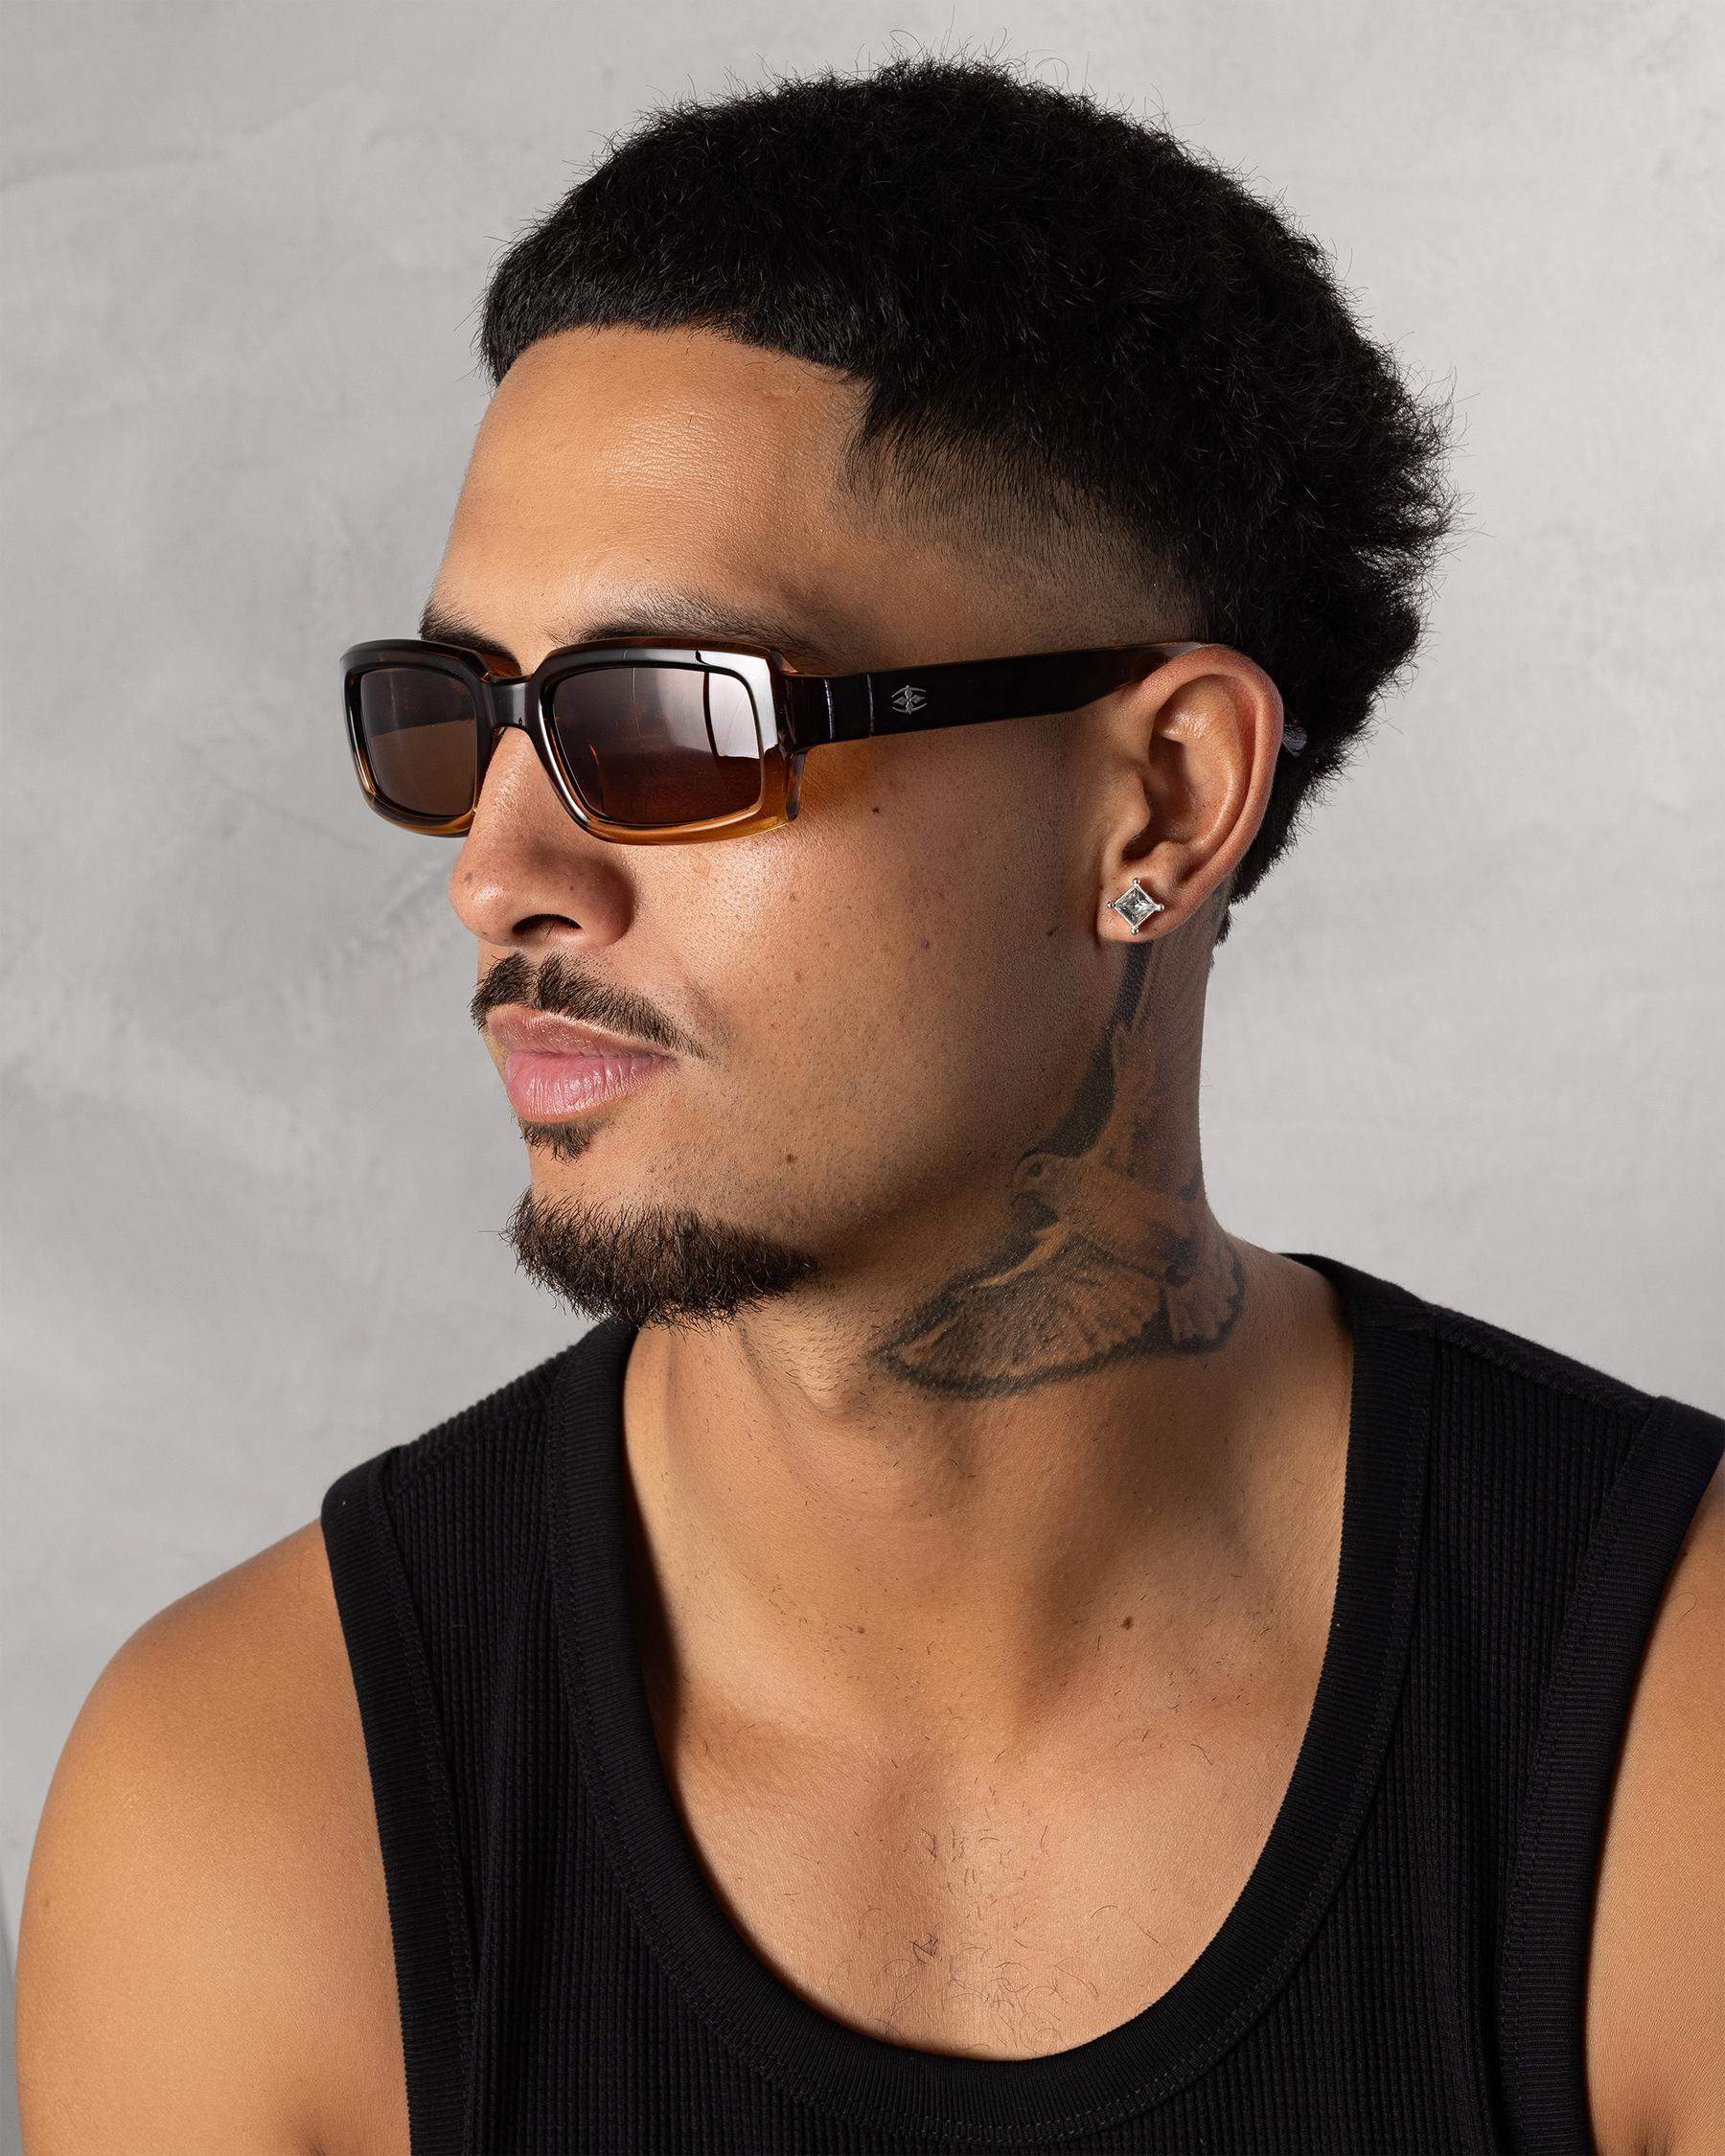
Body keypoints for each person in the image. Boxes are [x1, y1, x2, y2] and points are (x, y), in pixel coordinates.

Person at [16, 49, 1722, 2156]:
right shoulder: (259, 1821)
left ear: (1162, 799)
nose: (499, 872)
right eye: (463, 717)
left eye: (671, 719)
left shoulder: (1675, 1737)